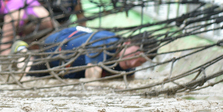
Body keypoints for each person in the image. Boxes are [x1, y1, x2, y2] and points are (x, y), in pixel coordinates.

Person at [28, 26, 158, 79]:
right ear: (127, 43)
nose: (134, 63)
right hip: (54, 50)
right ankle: (23, 51)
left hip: (72, 70)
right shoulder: (103, 44)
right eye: (135, 55)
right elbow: (92, 83)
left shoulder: (128, 66)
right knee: (29, 76)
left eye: (140, 62)